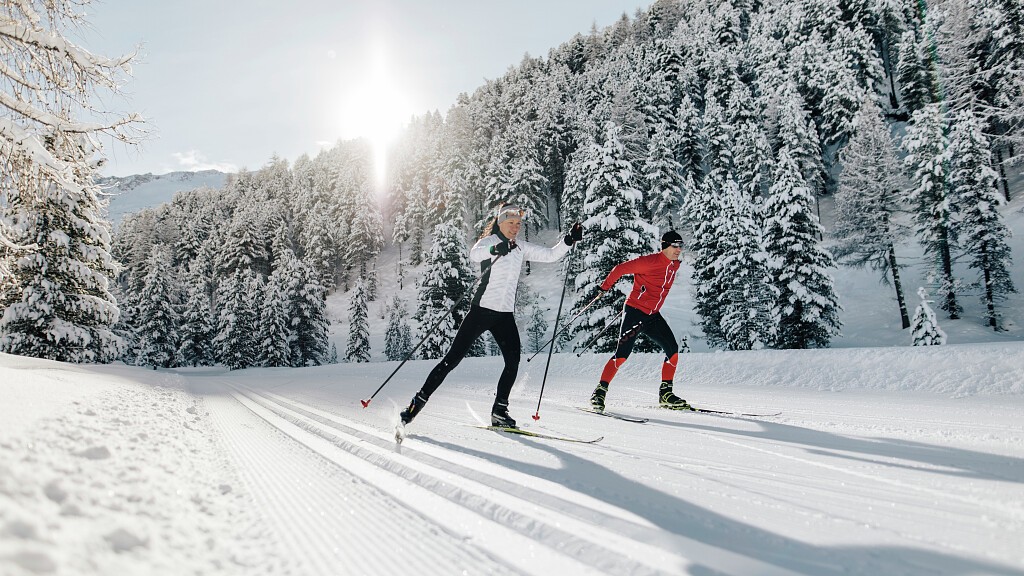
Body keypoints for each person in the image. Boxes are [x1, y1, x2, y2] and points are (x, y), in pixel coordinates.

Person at [400, 202, 583, 429]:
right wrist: (495, 250)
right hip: (481, 311)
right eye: (511, 223)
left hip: (504, 315)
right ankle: (416, 403)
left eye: (518, 224)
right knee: (452, 360)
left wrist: (568, 240)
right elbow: (474, 254)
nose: (515, 227)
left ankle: (499, 411)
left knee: (512, 361)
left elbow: (550, 255)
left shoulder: (520, 247)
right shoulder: (489, 242)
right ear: (500, 222)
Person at [590, 230, 690, 412]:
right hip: (635, 313)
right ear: (665, 246)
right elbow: (620, 269)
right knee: (621, 355)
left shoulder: (674, 265)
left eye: (680, 246)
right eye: (674, 245)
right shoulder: (649, 262)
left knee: (673, 351)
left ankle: (666, 394)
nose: (678, 249)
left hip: (652, 315)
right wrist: (604, 288)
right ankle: (599, 392)